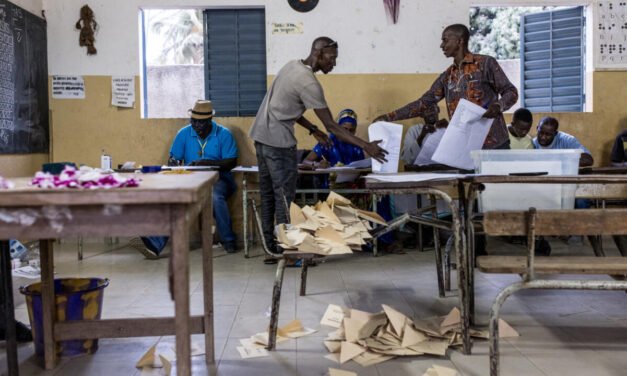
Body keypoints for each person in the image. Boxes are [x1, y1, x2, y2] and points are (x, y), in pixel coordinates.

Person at [249, 36, 388, 262]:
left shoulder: (291, 66)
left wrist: (313, 129)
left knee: (268, 195)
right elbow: (333, 126)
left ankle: (271, 248)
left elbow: (284, 107)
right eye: (331, 58)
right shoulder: (309, 83)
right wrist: (366, 146)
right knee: (285, 198)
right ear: (319, 53)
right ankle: (287, 251)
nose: (334, 63)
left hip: (260, 137)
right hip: (278, 142)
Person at [374, 24, 518, 150]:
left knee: (494, 182)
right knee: (466, 182)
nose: (441, 45)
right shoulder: (447, 76)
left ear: (460, 41)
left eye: (445, 40)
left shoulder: (486, 64)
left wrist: (499, 106)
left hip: (494, 143)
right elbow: (424, 103)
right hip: (465, 147)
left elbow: (511, 91)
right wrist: (388, 117)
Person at [133, 100, 239, 258]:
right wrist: (173, 162)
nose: (196, 126)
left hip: (219, 179)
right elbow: (173, 159)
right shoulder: (184, 133)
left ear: (210, 121)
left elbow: (231, 162)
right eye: (193, 121)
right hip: (192, 179)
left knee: (215, 196)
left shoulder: (223, 134)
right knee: (177, 198)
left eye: (200, 123)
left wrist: (206, 162)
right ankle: (155, 242)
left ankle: (229, 240)